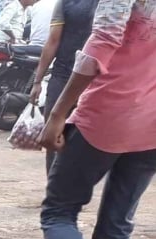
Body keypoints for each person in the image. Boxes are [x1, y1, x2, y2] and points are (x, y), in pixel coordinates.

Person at [38, 0, 156, 239]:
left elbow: (101, 44)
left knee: (58, 212)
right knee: (117, 224)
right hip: (152, 124)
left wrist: (57, 113)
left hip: (106, 115)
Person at [32, 0, 98, 171]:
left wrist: (37, 81)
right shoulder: (65, 3)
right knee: (57, 140)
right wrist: (37, 81)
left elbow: (53, 41)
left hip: (85, 82)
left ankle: (59, 184)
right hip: (72, 78)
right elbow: (53, 41)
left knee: (58, 140)